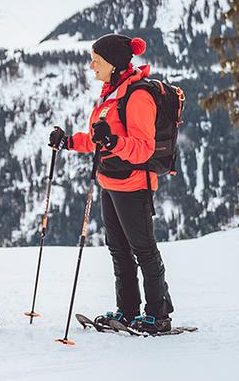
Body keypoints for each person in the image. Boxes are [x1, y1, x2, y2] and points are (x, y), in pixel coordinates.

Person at [49, 33, 175, 334]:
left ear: (115, 64)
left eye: (97, 60)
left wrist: (114, 141)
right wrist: (67, 141)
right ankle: (128, 310)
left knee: (143, 249)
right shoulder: (111, 93)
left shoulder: (138, 96)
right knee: (118, 249)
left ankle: (158, 315)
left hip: (133, 184)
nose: (92, 65)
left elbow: (142, 148)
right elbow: (98, 139)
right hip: (110, 181)